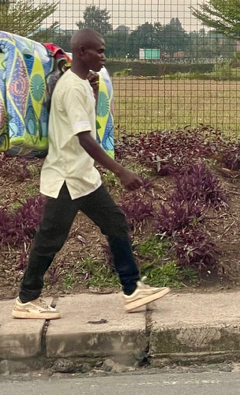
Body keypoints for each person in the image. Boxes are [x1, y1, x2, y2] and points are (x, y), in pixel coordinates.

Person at [12, 29, 170, 319]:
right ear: (82, 52)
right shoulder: (72, 87)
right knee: (50, 239)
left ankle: (132, 289)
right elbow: (85, 138)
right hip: (66, 177)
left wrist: (94, 93)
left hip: (83, 176)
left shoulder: (82, 83)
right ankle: (26, 300)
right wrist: (121, 171)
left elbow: (86, 123)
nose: (103, 57)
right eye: (99, 51)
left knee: (116, 224)